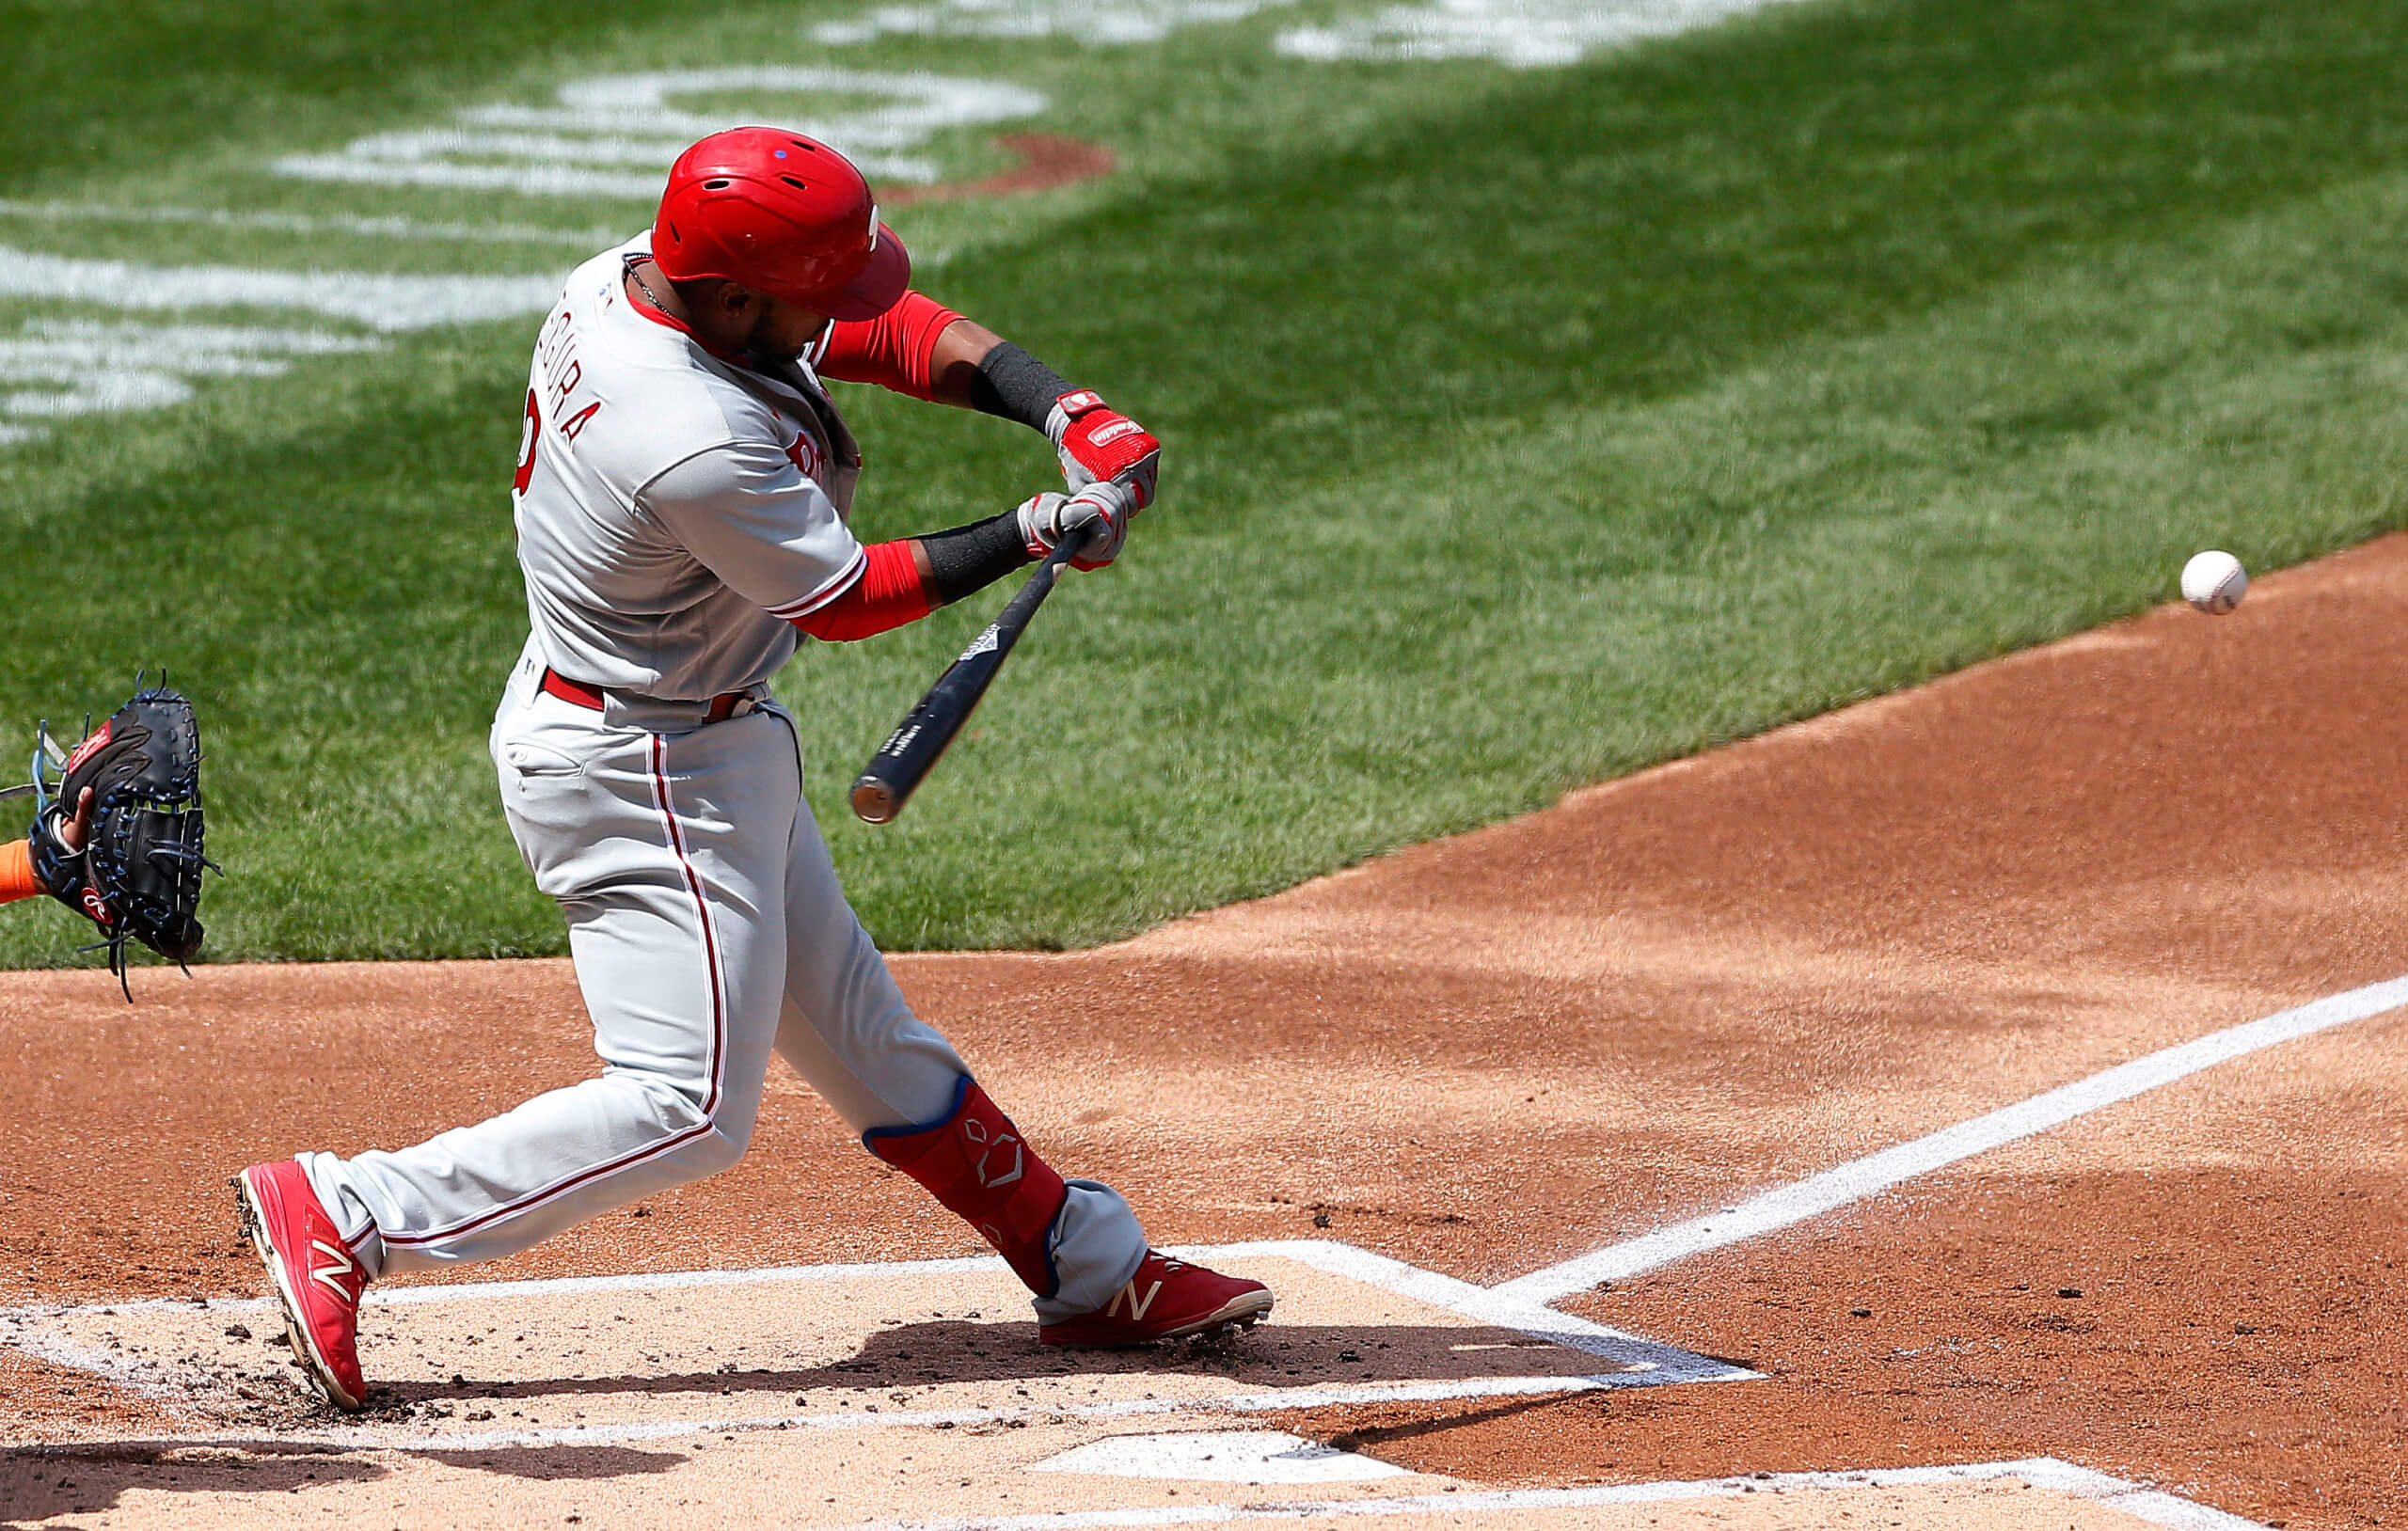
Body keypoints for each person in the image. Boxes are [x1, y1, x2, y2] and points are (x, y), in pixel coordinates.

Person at [234, 127, 1273, 1413]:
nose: (838, 307)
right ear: (733, 293)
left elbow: (881, 332)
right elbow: (842, 596)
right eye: (811, 290)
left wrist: (1062, 408)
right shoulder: (687, 430)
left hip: (695, 735)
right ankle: (348, 1208)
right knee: (685, 1105)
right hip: (643, 768)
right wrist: (1036, 527)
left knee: (866, 1037)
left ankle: (1081, 1260)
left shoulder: (646, 281)